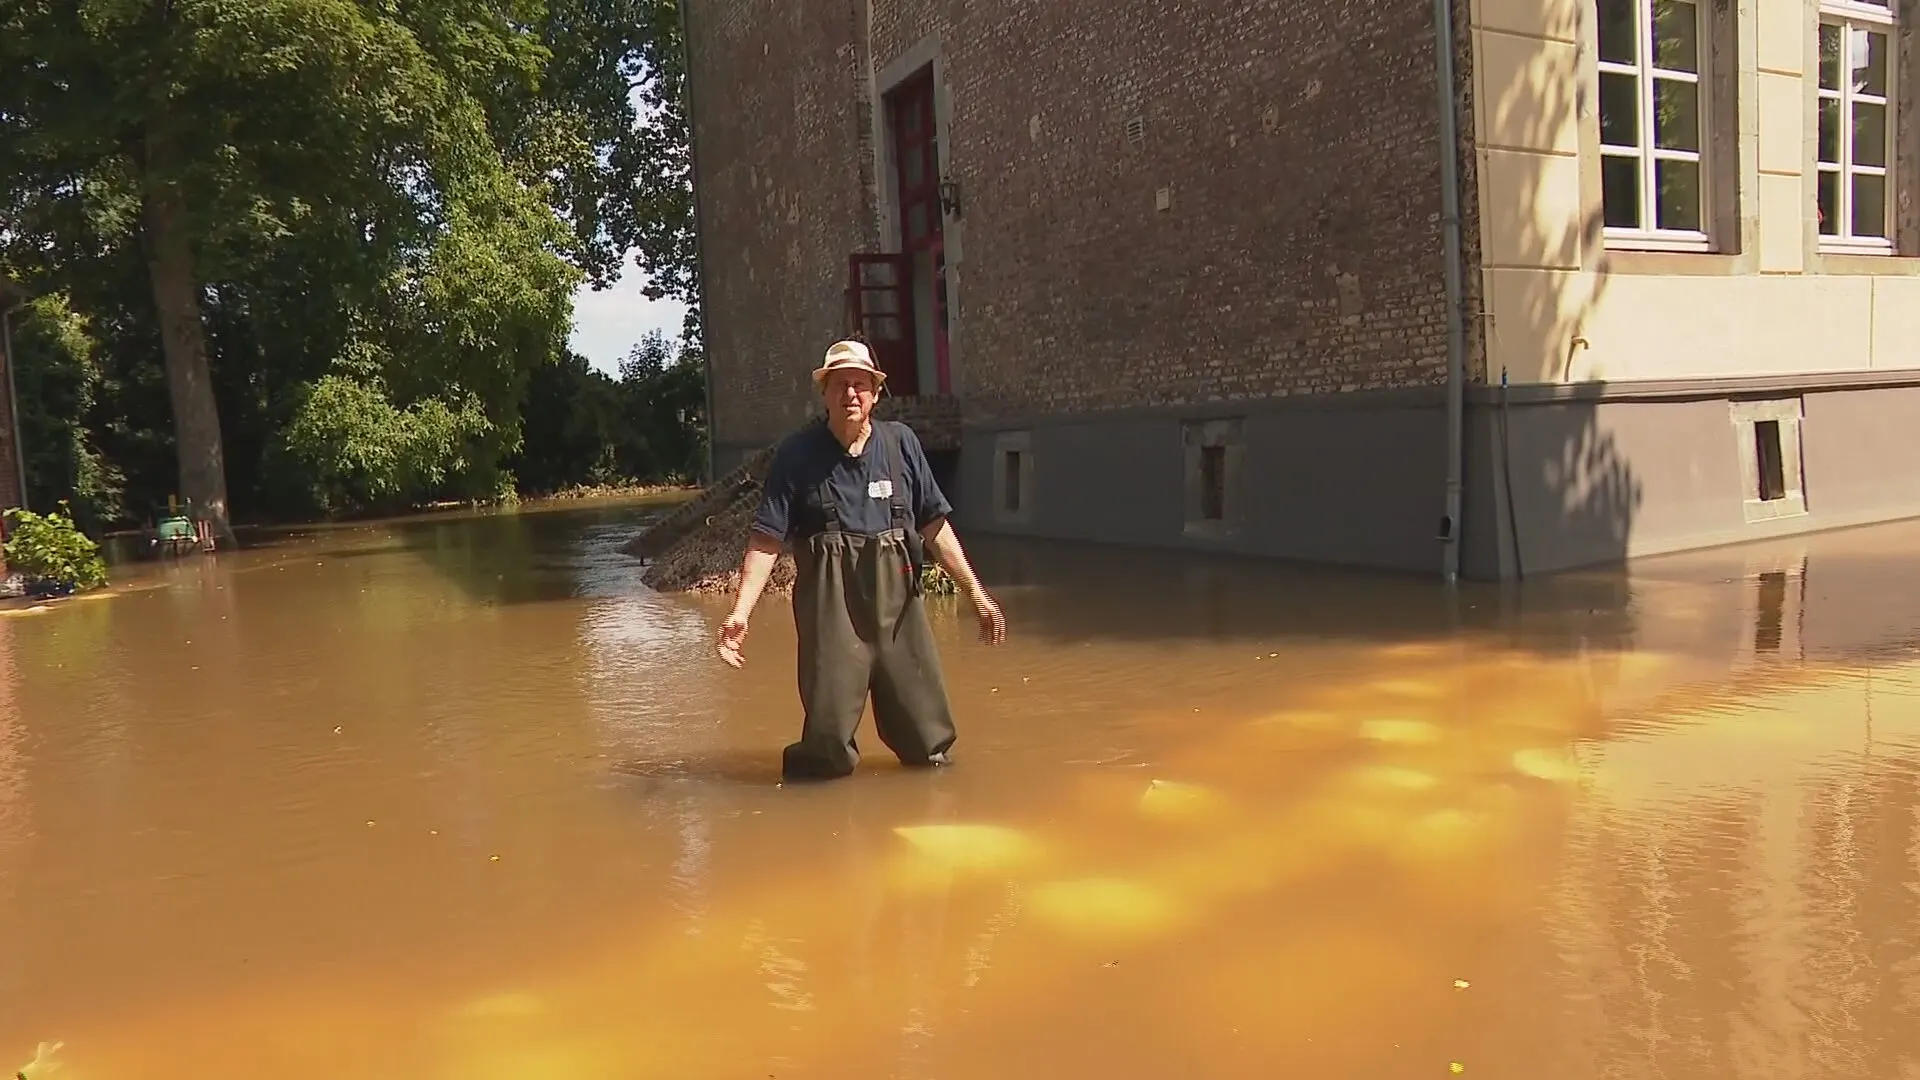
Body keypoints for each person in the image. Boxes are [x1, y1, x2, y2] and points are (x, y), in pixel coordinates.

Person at [716, 339, 1007, 781]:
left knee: (927, 741)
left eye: (860, 384)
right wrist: (740, 614)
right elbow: (766, 541)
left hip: (899, 617)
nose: (851, 394)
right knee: (827, 744)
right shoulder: (797, 455)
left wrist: (976, 594)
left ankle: (936, 810)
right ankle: (818, 825)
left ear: (875, 392)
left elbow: (935, 527)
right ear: (824, 392)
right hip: (832, 619)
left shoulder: (901, 444)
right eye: (840, 384)